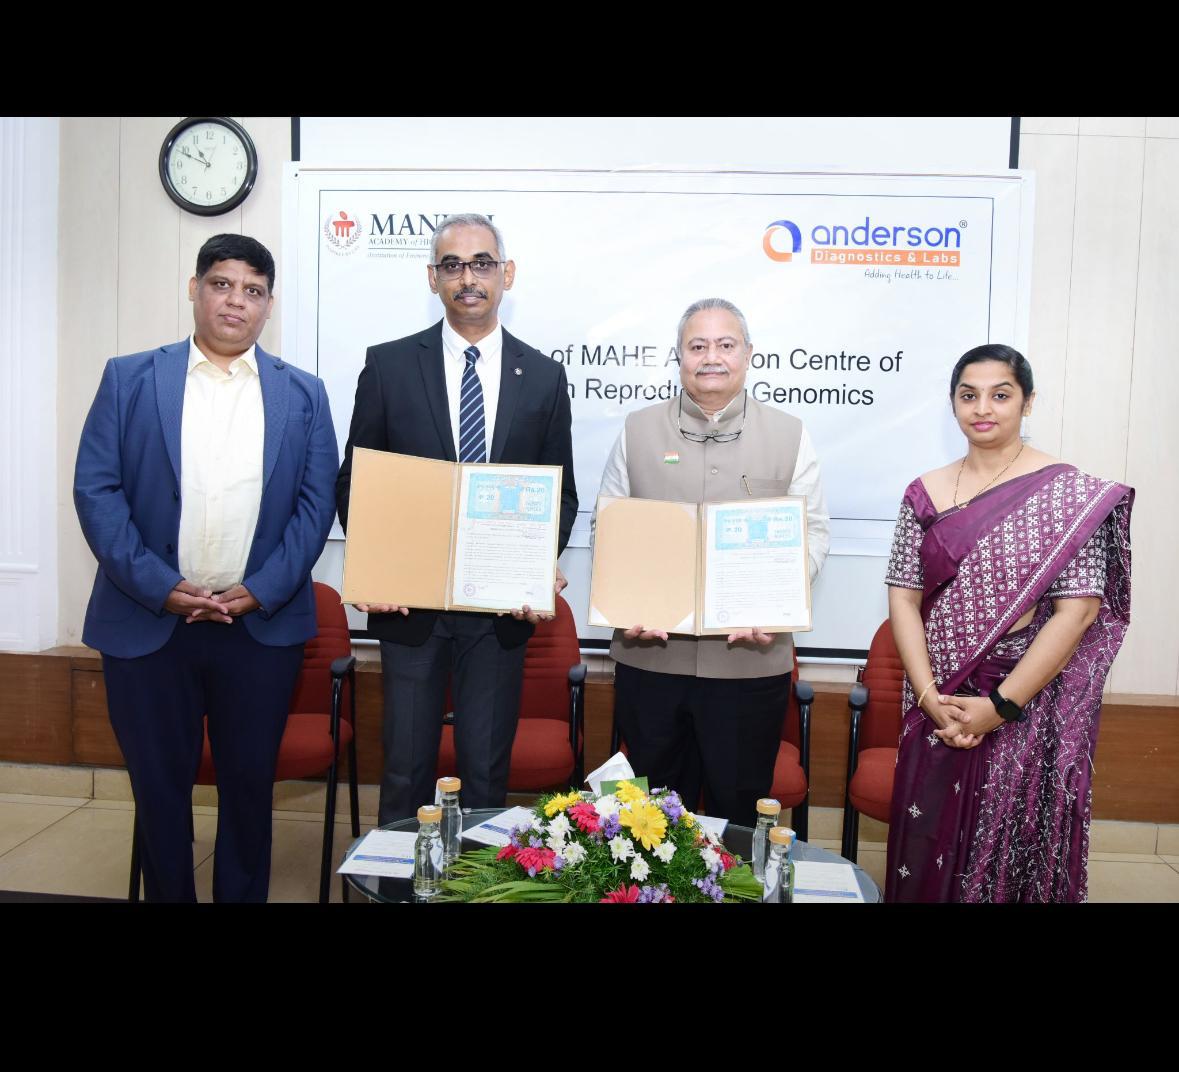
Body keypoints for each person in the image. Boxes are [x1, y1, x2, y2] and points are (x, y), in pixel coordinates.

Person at [74, 234, 340, 902]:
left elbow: (316, 507)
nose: (235, 301)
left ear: (269, 305)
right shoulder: (129, 378)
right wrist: (160, 587)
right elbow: (96, 491)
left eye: (253, 291)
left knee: (248, 791)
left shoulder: (304, 394)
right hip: (148, 623)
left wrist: (263, 588)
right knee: (158, 791)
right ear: (195, 289)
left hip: (258, 629)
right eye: (222, 284)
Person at [336, 213, 577, 825]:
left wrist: (535, 567)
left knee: (487, 774)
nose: (468, 278)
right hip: (409, 608)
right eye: (453, 265)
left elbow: (561, 494)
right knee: (404, 770)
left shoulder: (543, 377)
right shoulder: (389, 366)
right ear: (433, 278)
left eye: (482, 264)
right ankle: (398, 874)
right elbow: (356, 483)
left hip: (499, 614)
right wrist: (377, 569)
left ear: (507, 274)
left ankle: (476, 877)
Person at [884, 344, 1133, 902]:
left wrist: (999, 707)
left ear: (1027, 401)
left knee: (999, 855)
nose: (983, 409)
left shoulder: (1067, 496)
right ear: (952, 403)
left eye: (1000, 395)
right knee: (926, 844)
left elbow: (1078, 612)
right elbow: (902, 597)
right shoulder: (923, 492)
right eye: (968, 395)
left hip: (1022, 701)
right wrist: (927, 696)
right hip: (935, 697)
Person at [596, 298, 829, 826]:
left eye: (726, 344)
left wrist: (778, 604)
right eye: (697, 345)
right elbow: (608, 528)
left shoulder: (790, 434)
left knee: (738, 813)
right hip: (650, 659)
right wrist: (623, 603)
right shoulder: (637, 430)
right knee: (650, 821)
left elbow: (813, 532)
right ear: (678, 356)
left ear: (748, 354)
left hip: (749, 664)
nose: (711, 357)